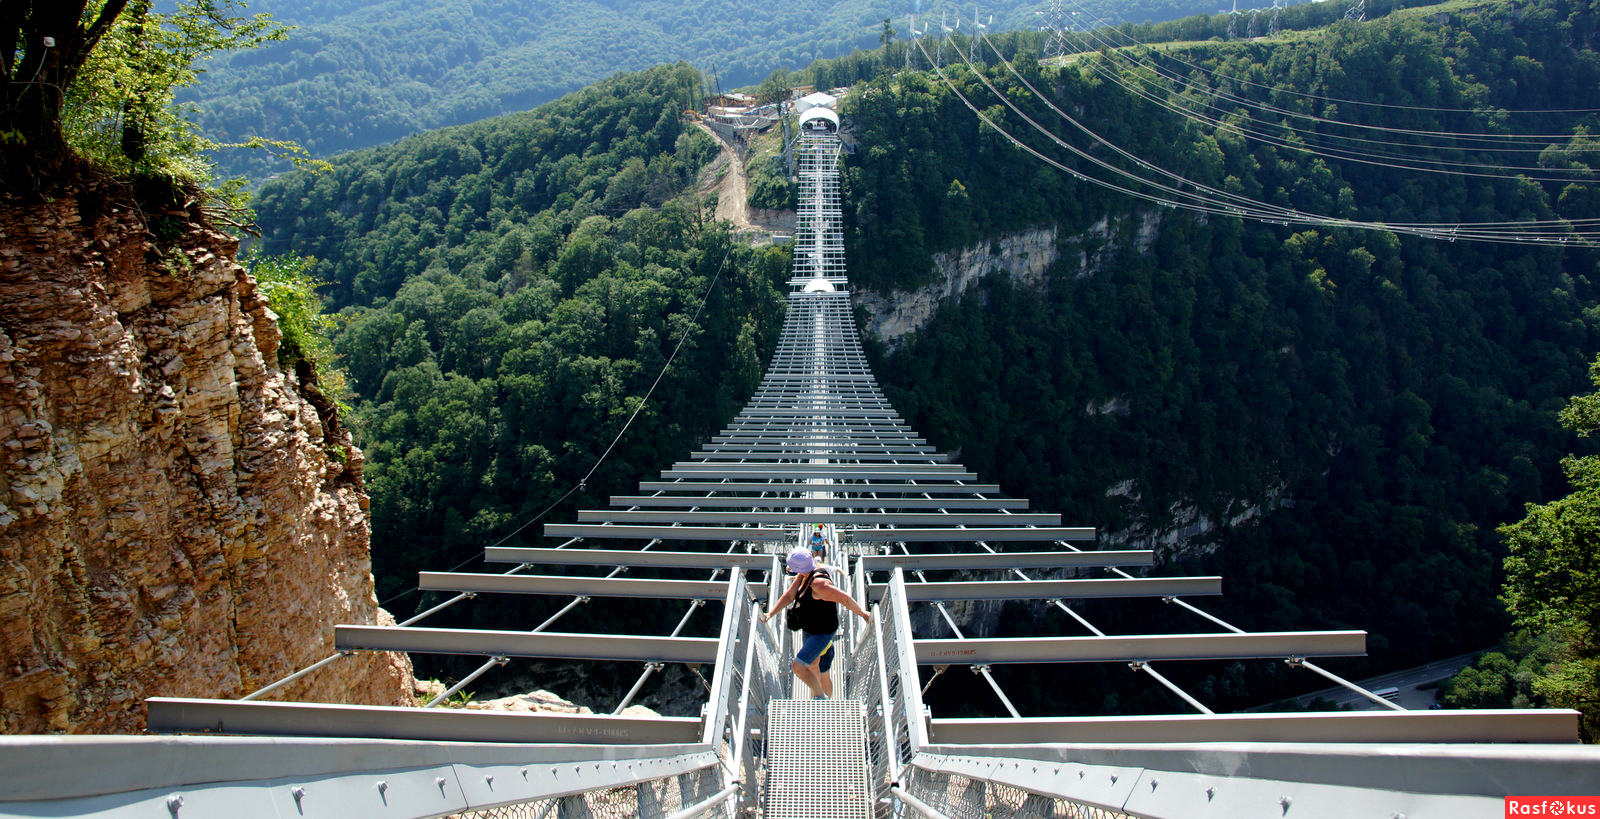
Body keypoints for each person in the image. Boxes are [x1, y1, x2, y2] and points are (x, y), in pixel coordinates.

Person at [760, 547, 871, 700]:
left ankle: (821, 697)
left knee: (799, 667)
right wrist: (770, 614)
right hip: (809, 629)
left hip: (821, 634)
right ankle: (818, 696)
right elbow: (790, 595)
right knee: (812, 667)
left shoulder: (819, 584)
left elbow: (845, 599)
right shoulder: (804, 575)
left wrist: (864, 614)